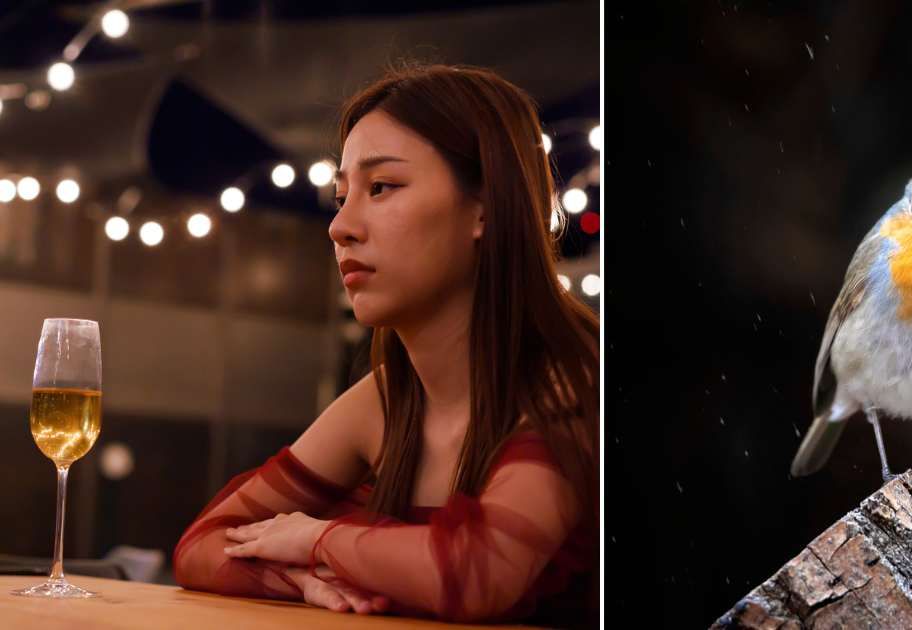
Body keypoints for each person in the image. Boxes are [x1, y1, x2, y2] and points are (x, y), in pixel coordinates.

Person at [172, 62, 599, 628]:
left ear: (486, 207)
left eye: (382, 188)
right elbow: (201, 546)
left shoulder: (571, 378)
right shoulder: (386, 400)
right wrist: (300, 579)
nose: (339, 226)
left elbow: (478, 574)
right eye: (342, 194)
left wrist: (318, 538)